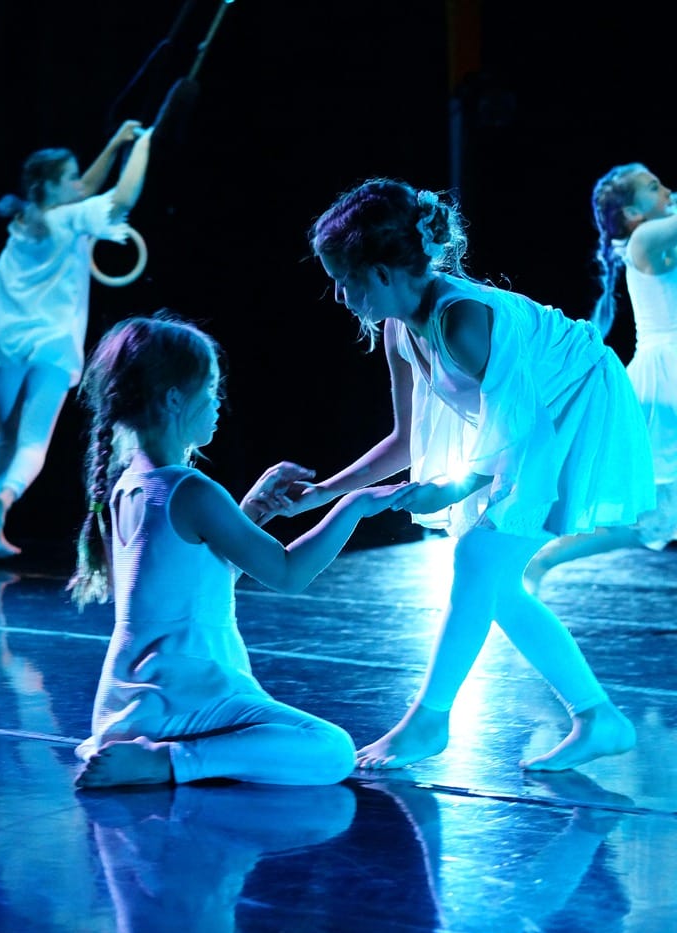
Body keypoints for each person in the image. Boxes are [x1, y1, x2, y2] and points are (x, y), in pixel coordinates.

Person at [281, 176, 656, 774]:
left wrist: (456, 487)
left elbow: (526, 439)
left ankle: (430, 719)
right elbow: (404, 441)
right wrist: (323, 492)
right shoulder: (400, 329)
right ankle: (598, 717)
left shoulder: (463, 322)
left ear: (381, 273)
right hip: (533, 423)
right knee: (498, 582)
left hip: (576, 405)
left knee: (480, 559)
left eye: (344, 282)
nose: (341, 297)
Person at [67, 310, 415, 790]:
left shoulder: (130, 486)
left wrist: (248, 511)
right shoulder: (189, 489)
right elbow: (289, 573)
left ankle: (156, 753)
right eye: (210, 391)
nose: (217, 404)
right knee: (332, 750)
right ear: (173, 399)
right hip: (186, 697)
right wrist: (352, 507)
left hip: (131, 702)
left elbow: (196, 580)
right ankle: (168, 762)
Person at [0, 117, 155, 558]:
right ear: (52, 186)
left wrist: (114, 146)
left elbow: (80, 191)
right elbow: (121, 198)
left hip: (6, 336)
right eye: (71, 178)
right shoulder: (72, 219)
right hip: (52, 344)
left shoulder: (26, 217)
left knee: (7, 432)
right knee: (33, 439)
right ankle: (6, 496)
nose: (80, 183)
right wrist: (143, 146)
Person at [524, 163, 677, 593]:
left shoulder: (656, 238)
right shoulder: (645, 237)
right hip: (666, 381)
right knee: (649, 512)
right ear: (631, 214)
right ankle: (538, 556)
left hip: (664, 377)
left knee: (653, 516)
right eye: (654, 186)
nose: (666, 189)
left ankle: (544, 558)